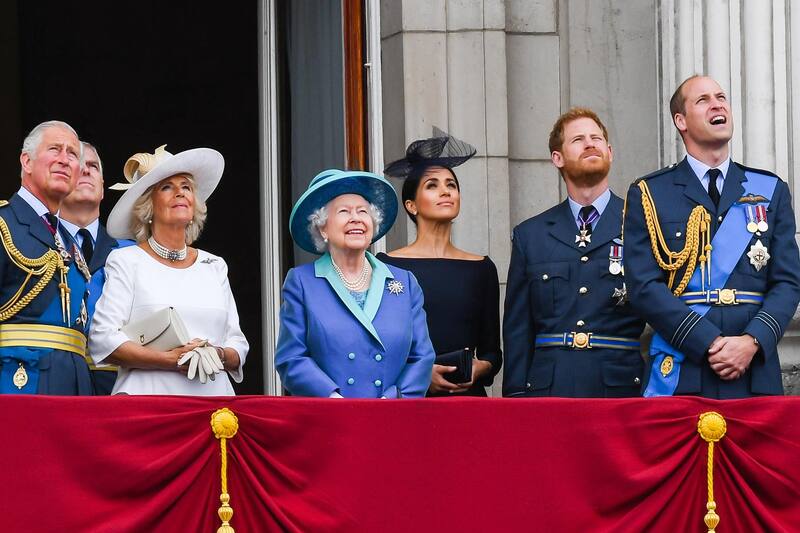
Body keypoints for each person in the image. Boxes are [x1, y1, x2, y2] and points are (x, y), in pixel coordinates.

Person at [624, 75, 800, 398]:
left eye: (721, 97)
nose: (717, 104)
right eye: (703, 100)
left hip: (753, 370)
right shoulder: (650, 193)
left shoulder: (770, 190)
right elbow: (644, 286)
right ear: (681, 121)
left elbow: (788, 282)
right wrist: (707, 341)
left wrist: (752, 341)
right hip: (685, 367)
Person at [503, 108, 645, 397]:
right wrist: (516, 398)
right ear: (557, 158)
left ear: (610, 152)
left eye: (596, 138)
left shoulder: (642, 224)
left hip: (621, 389)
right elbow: (518, 328)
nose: (590, 144)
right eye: (578, 139)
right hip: (550, 390)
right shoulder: (531, 235)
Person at [88, 145, 248, 395]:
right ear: (148, 207)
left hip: (213, 403)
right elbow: (103, 339)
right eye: (166, 187)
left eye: (186, 187)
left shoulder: (214, 265)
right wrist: (171, 360)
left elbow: (237, 345)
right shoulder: (126, 261)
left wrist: (216, 354)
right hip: (148, 402)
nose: (179, 192)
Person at [275, 168, 435, 398]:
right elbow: (291, 357)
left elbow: (422, 357)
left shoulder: (405, 282)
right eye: (344, 211)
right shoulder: (302, 283)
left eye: (363, 211)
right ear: (322, 227)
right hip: (329, 413)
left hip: (392, 412)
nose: (356, 218)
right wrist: (334, 400)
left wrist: (392, 399)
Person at [379, 134, 502, 396]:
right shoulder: (386, 266)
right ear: (411, 205)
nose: (445, 191)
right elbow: (378, 347)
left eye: (451, 185)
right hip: (410, 399)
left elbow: (492, 352)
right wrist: (420, 374)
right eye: (432, 185)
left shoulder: (481, 268)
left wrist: (479, 368)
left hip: (467, 400)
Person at [0, 120, 94, 394]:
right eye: (55, 149)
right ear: (26, 161)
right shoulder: (4, 224)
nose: (64, 160)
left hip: (74, 385)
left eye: (72, 154)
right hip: (18, 382)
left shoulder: (69, 239)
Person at [59, 142, 125, 394]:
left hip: (117, 383)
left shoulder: (131, 252)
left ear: (102, 189)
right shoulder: (35, 244)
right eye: (78, 165)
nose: (86, 170)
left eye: (93, 166)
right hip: (55, 379)